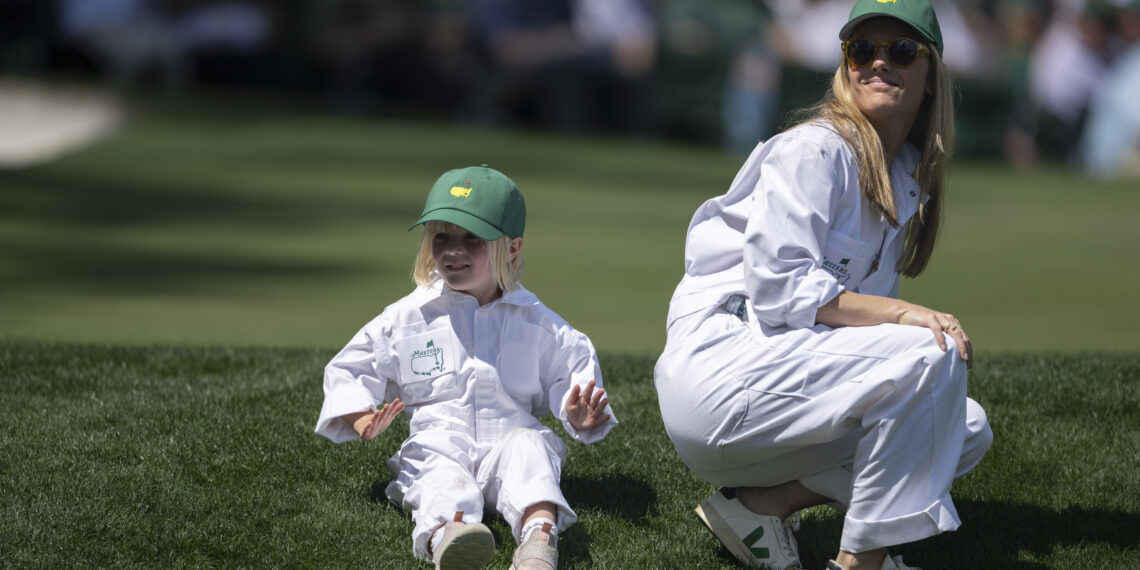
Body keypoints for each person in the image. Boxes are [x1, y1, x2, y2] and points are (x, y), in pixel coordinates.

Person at [653, 1, 992, 569]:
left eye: (901, 51)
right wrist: (904, 315)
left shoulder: (903, 176)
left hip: (775, 382)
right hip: (723, 374)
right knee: (928, 356)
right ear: (845, 64)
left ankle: (760, 507)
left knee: (964, 425)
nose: (879, 62)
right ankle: (862, 562)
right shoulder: (816, 147)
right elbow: (781, 289)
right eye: (862, 50)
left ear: (931, 74)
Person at [314, 165, 617, 569]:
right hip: (440, 444)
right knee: (434, 473)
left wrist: (578, 414)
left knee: (531, 450)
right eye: (441, 236)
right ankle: (451, 536)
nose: (453, 249)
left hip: (508, 444)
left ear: (511, 248)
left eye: (472, 237)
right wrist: (360, 417)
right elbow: (351, 368)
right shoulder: (408, 316)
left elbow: (573, 368)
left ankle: (538, 540)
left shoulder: (538, 323)